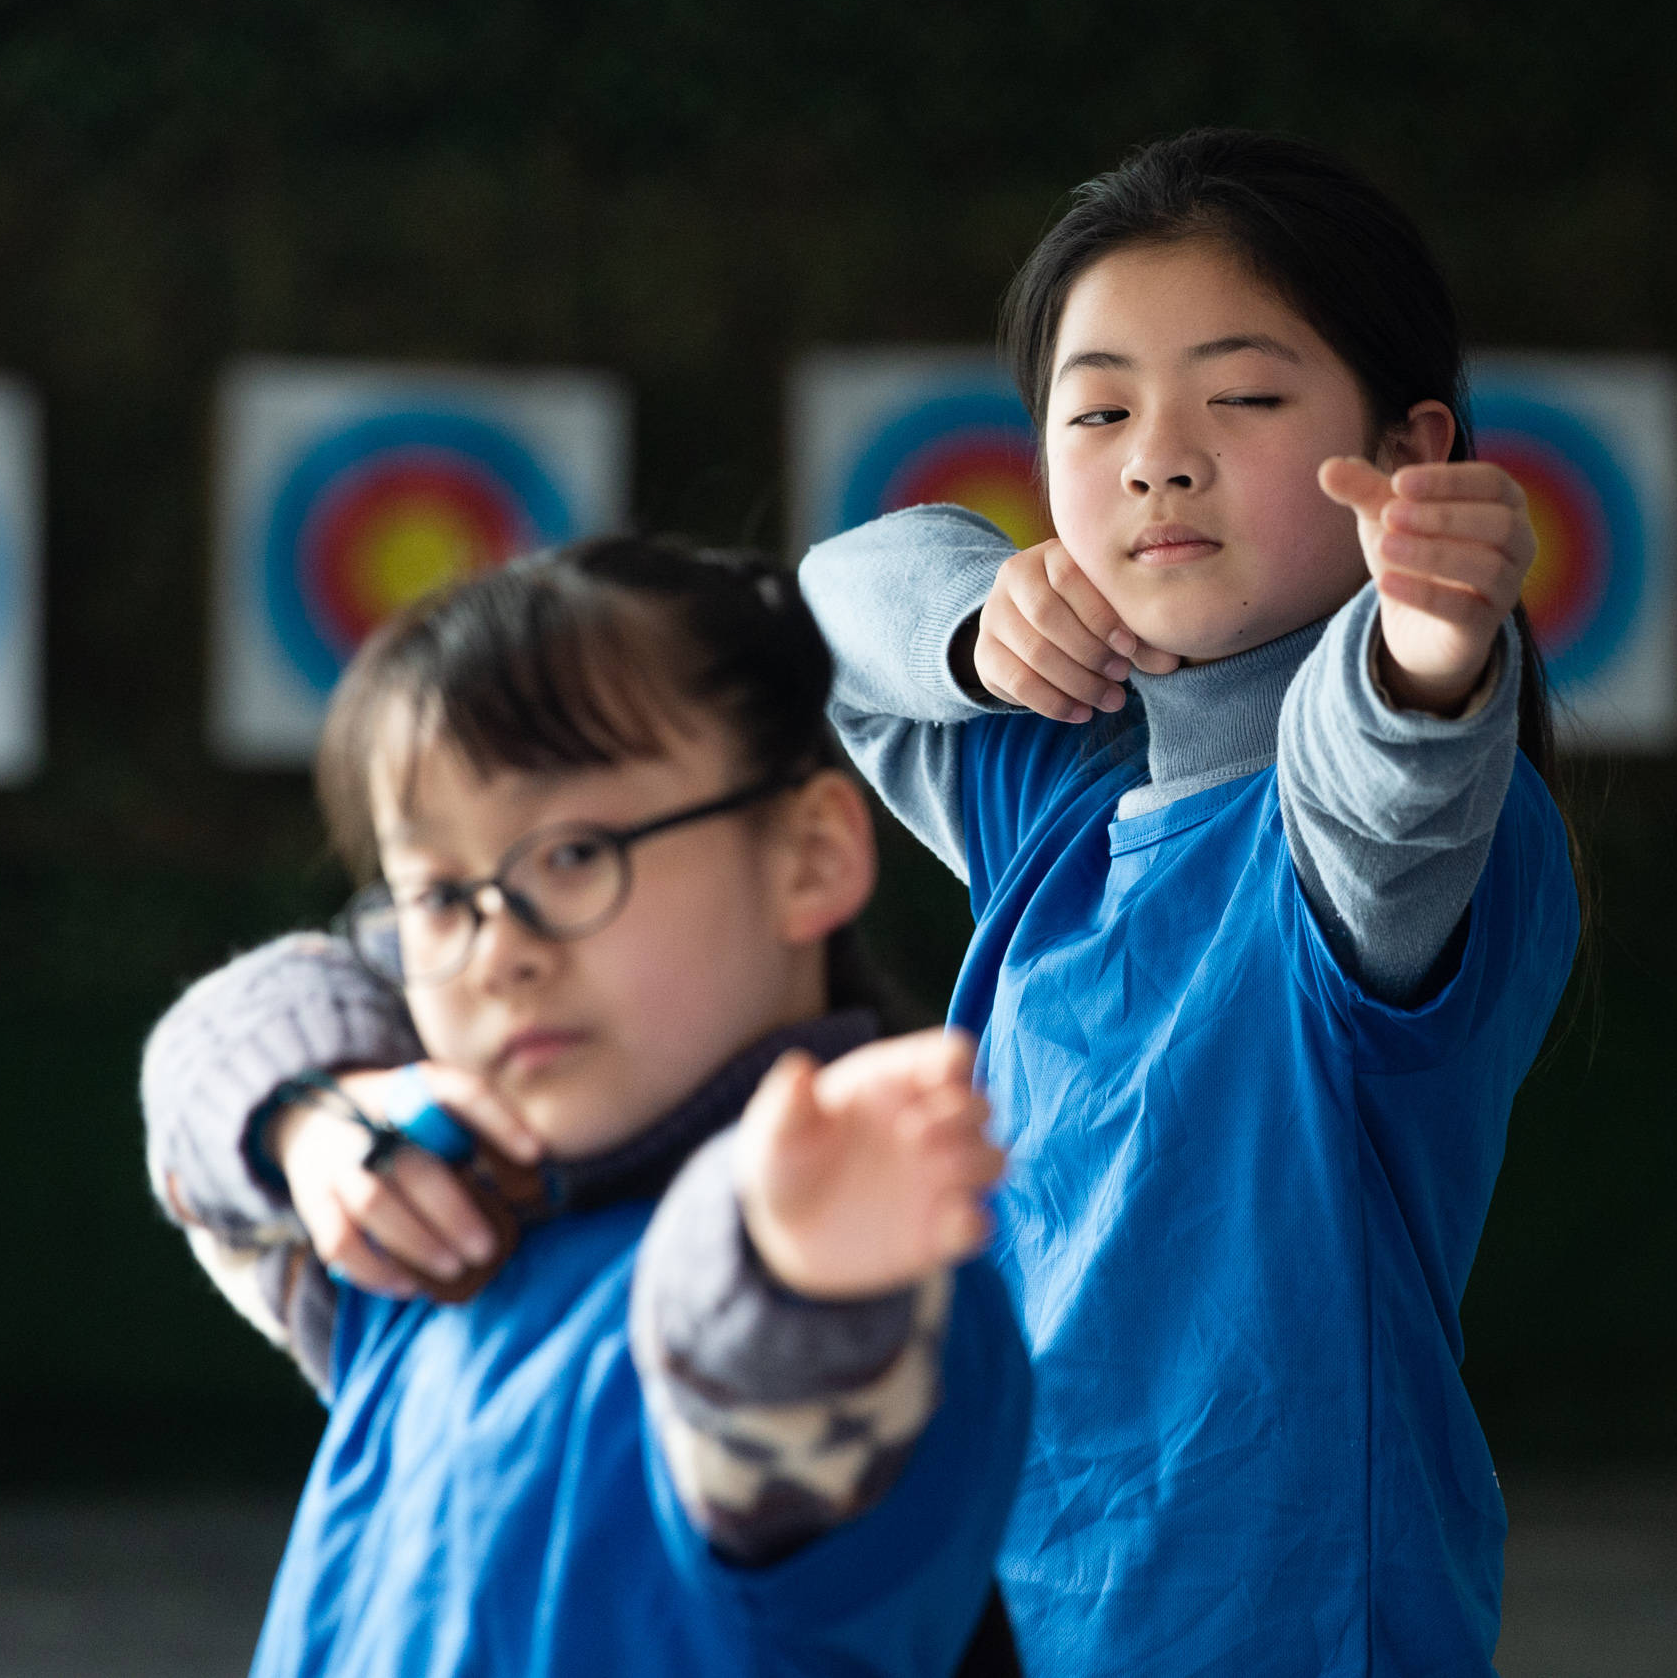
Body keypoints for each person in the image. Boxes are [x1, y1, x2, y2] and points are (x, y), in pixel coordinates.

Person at [796, 127, 1580, 1674]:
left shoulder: (1394, 825)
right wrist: (974, 626)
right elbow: (829, 606)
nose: (1158, 453)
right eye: (1097, 409)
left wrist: (1431, 643)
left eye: (1244, 397)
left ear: (1411, 449)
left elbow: (1390, 781)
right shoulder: (1056, 780)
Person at [139, 537, 1032, 1676]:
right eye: (439, 894)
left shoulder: (866, 1273)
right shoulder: (433, 1223)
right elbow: (214, 1061)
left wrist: (778, 1245)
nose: (498, 950)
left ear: (810, 853)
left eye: (572, 853)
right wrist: (314, 1115)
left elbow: (758, 1381)